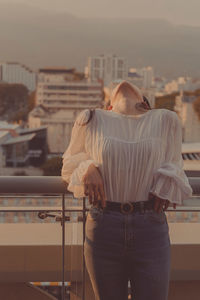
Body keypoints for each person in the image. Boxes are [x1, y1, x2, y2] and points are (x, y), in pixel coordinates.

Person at [61, 80, 193, 300]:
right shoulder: (92, 118)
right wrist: (87, 167)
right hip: (103, 226)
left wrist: (165, 182)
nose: (124, 83)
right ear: (109, 107)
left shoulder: (165, 119)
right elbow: (68, 165)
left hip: (150, 226)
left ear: (145, 103)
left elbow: (175, 165)